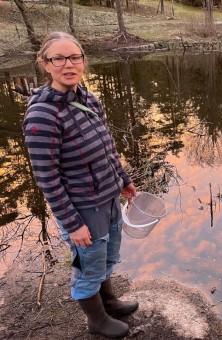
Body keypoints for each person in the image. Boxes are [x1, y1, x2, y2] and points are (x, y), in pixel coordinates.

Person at [22, 31, 138, 338]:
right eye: (58, 58)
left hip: (108, 197)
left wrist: (122, 180)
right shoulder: (42, 115)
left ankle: (109, 301)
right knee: (89, 266)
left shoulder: (88, 98)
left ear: (83, 61)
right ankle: (96, 320)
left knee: (108, 256)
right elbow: (47, 179)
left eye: (74, 57)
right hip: (83, 208)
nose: (68, 64)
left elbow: (107, 146)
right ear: (45, 64)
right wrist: (73, 224)